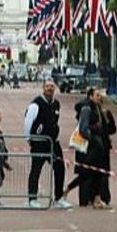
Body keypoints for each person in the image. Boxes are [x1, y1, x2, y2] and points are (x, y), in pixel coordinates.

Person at [25, 79, 72, 209]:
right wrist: (29, 139)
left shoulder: (56, 104)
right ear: (43, 88)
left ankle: (58, 198)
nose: (50, 89)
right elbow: (28, 122)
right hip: (39, 142)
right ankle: (32, 199)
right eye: (47, 86)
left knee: (59, 167)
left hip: (53, 143)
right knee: (36, 169)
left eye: (52, 86)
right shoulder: (36, 104)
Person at [92, 91, 117, 208]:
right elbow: (113, 129)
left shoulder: (97, 114)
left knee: (97, 171)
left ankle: (95, 196)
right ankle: (104, 197)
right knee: (103, 171)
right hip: (104, 145)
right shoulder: (106, 114)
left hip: (98, 145)